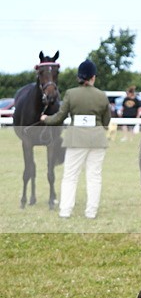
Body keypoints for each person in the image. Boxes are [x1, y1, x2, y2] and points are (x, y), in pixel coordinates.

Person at [42, 59, 110, 219]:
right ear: (93, 77)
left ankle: (65, 211)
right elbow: (106, 121)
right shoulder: (102, 96)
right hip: (97, 140)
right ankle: (91, 212)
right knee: (94, 176)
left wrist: (46, 118)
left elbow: (59, 117)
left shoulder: (71, 94)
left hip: (76, 140)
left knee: (70, 176)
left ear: (79, 77)